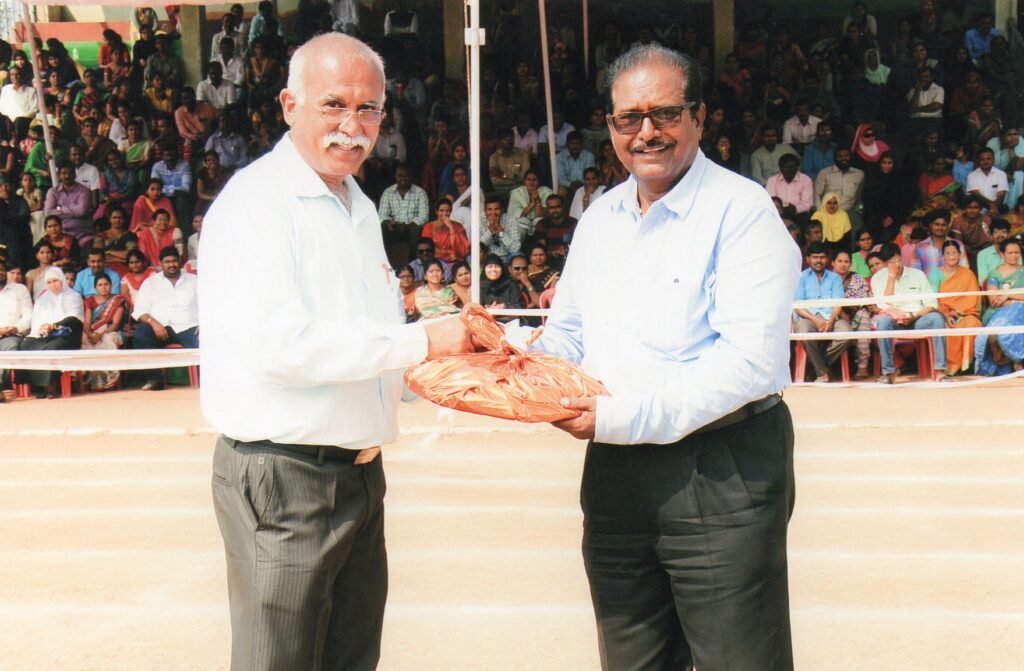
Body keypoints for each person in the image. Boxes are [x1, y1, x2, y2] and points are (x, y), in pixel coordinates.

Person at [198, 33, 472, 671]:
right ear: (289, 105)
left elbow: (370, 341)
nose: (352, 125)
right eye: (334, 105)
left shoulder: (358, 206)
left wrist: (449, 368)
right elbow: (280, 346)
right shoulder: (256, 204)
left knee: (350, 659)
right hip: (287, 477)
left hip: (359, 474)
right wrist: (421, 340)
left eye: (368, 108)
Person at [533, 44, 800, 670]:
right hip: (615, 473)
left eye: (665, 114)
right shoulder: (600, 218)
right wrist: (507, 366)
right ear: (610, 126)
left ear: (699, 116)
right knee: (631, 660)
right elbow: (566, 337)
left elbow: (747, 363)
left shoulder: (741, 211)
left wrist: (617, 417)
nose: (646, 132)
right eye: (629, 118)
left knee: (740, 660)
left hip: (720, 467)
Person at [870, 242, 947, 384]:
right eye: (891, 262)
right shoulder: (878, 278)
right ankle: (889, 373)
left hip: (917, 318)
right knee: (882, 322)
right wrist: (891, 278)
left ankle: (940, 371)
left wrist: (914, 316)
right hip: (894, 320)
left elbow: (931, 303)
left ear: (901, 257)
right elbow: (883, 305)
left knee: (936, 318)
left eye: (897, 260)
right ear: (885, 263)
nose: (896, 265)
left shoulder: (917, 274)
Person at [131, 246, 198, 391]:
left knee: (204, 340)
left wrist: (204, 325)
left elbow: (208, 305)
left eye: (174, 261)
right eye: (167, 262)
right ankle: (155, 379)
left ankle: (205, 381)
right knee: (141, 335)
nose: (171, 265)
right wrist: (154, 323)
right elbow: (140, 310)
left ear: (180, 261)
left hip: (189, 326)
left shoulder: (194, 281)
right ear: (160, 263)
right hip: (159, 327)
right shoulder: (151, 283)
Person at [17, 266, 84, 398]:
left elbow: (74, 319)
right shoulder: (42, 299)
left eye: (55, 281)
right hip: (45, 335)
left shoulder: (73, 296)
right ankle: (38, 387)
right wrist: (41, 329)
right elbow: (36, 320)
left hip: (67, 335)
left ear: (62, 280)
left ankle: (52, 387)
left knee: (52, 348)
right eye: (49, 282)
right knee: (26, 345)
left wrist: (53, 326)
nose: (53, 285)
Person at [793, 242, 850, 382]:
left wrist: (831, 320)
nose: (818, 261)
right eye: (815, 257)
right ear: (808, 259)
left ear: (827, 259)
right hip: (809, 318)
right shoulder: (801, 277)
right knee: (803, 331)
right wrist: (814, 319)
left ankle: (818, 367)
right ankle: (822, 372)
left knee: (847, 332)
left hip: (832, 317)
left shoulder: (835, 278)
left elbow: (838, 303)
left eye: (822, 257)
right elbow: (798, 306)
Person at [928, 240, 981, 375]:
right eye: (948, 253)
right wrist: (946, 315)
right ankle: (951, 367)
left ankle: (966, 364)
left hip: (965, 314)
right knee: (942, 325)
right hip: (942, 312)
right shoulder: (935, 273)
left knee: (972, 324)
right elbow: (932, 299)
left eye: (954, 253)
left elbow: (974, 299)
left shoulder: (968, 274)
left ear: (960, 255)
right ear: (942, 256)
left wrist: (960, 311)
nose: (951, 256)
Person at [975, 238, 1024, 375]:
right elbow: (994, 300)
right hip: (999, 312)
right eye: (1010, 253)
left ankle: (1018, 362)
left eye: (1017, 252)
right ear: (1002, 254)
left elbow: (1004, 298)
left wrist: (1009, 295)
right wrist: (1017, 300)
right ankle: (1013, 361)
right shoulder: (994, 274)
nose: (1014, 256)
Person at [80, 271, 127, 391]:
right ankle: (93, 377)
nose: (104, 287)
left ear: (111, 285)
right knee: (83, 338)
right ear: (95, 287)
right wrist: (89, 334)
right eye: (100, 285)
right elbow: (87, 323)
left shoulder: (117, 300)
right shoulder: (89, 301)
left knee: (108, 339)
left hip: (110, 331)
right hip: (93, 332)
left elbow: (115, 324)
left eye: (106, 284)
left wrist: (101, 334)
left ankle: (111, 377)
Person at [831, 249, 874, 378]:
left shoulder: (856, 278)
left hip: (855, 314)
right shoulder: (828, 278)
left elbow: (864, 298)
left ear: (850, 264)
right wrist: (839, 312)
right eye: (839, 261)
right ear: (832, 263)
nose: (843, 264)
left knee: (864, 316)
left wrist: (849, 310)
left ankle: (862, 366)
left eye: (846, 261)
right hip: (832, 315)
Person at [378, 163, 429, 268]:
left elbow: (424, 216)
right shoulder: (388, 192)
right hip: (394, 227)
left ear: (411, 177)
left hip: (412, 227)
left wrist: (407, 226)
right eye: (400, 176)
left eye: (406, 176)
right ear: (395, 177)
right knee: (381, 228)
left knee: (415, 232)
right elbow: (382, 215)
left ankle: (412, 264)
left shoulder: (420, 192)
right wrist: (388, 223)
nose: (403, 179)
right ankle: (385, 262)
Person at [0, 257, 32, 400]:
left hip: (12, 334)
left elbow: (29, 315)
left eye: (1, 270)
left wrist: (14, 328)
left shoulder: (20, 289)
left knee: (9, 349)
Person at [44, 161, 94, 247]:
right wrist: (73, 210)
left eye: (70, 173)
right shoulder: (53, 192)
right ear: (59, 175)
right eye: (64, 173)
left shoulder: (84, 191)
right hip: (60, 234)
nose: (67, 176)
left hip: (81, 233)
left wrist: (60, 209)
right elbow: (48, 212)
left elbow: (81, 211)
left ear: (75, 174)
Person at [913, 208, 967, 276]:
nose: (940, 228)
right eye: (937, 224)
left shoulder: (958, 245)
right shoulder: (921, 247)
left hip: (954, 282)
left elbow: (965, 269)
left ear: (947, 226)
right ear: (930, 225)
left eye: (943, 225)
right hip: (928, 282)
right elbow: (916, 272)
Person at [420, 199, 469, 263]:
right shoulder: (429, 227)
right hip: (435, 261)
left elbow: (462, 250)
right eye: (441, 210)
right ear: (436, 212)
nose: (445, 213)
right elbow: (426, 248)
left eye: (448, 211)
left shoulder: (458, 226)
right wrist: (448, 252)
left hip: (455, 260)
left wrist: (451, 228)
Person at [966, 147, 1008, 213]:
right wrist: (991, 206)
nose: (985, 162)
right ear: (978, 161)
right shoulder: (972, 176)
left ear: (993, 160)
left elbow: (1001, 196)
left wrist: (993, 209)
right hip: (978, 211)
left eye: (988, 159)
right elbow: (977, 196)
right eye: (982, 159)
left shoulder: (1001, 174)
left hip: (997, 210)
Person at [976, 218, 1011, 288]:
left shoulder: (1015, 252)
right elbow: (983, 281)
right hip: (991, 291)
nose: (1000, 235)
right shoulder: (983, 255)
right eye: (996, 232)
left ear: (1009, 235)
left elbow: (1018, 277)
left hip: (1013, 291)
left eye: (1003, 232)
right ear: (991, 236)